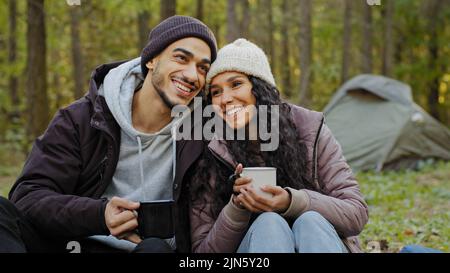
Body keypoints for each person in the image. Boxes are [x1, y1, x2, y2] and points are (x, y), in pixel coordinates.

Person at [0, 15, 217, 253]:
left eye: (202, 68)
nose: (191, 75)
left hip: (144, 250)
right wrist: (99, 214)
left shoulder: (204, 130)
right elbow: (27, 197)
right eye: (181, 58)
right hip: (71, 244)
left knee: (155, 249)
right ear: (152, 60)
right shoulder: (82, 118)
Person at [189, 38, 368, 253]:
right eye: (216, 92)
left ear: (260, 87)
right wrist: (237, 208)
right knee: (268, 223)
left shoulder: (308, 128)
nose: (225, 98)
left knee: (310, 220)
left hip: (319, 241)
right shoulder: (212, 147)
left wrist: (292, 202)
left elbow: (356, 213)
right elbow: (203, 253)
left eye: (236, 84)